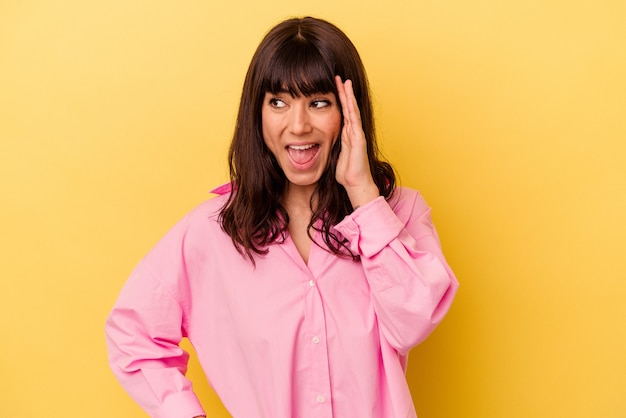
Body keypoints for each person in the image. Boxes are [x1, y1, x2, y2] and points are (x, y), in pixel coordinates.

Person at [105, 16, 458, 418]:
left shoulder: (398, 214)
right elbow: (132, 333)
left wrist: (363, 193)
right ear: (256, 113)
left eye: (319, 102)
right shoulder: (211, 233)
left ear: (349, 111)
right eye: (278, 102)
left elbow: (412, 321)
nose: (298, 124)